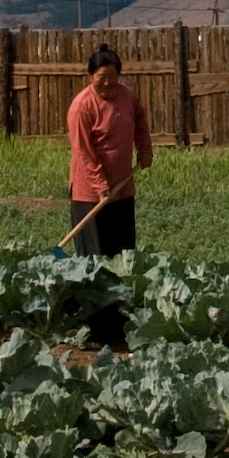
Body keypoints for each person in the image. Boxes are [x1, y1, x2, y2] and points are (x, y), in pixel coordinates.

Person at [64, 43, 152, 348]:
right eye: (102, 77)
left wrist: (145, 150)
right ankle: (96, 327)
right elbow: (84, 153)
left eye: (113, 77)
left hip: (122, 188)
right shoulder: (81, 107)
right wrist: (100, 185)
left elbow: (140, 119)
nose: (108, 83)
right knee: (95, 258)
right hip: (92, 194)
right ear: (91, 76)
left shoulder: (126, 96)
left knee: (122, 255)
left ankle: (121, 321)